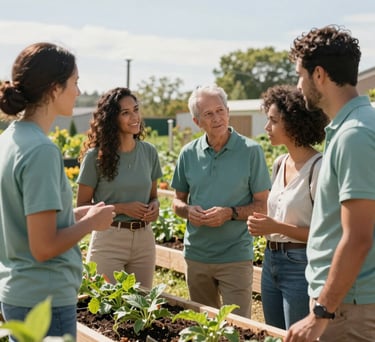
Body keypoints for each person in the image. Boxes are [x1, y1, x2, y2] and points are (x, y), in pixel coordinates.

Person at [0, 42, 114, 340]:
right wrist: (93, 223)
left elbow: (24, 221)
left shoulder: (10, 140)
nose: (78, 91)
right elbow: (44, 247)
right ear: (54, 89)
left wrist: (72, 215)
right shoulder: (41, 151)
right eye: (74, 82)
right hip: (45, 297)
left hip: (19, 292)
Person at [285, 25, 375, 342]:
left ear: (319, 74)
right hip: (346, 302)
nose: (298, 85)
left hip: (348, 308)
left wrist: (320, 313)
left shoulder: (354, 135)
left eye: (300, 75)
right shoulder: (356, 125)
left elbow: (358, 237)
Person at [171, 84, 271, 318]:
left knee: (238, 327)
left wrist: (230, 213)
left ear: (228, 111)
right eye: (208, 114)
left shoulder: (251, 151)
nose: (217, 118)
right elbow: (177, 202)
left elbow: (262, 205)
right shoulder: (188, 153)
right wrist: (188, 211)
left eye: (220, 110)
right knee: (204, 326)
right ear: (197, 122)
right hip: (197, 255)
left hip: (235, 256)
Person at [247, 84, 329, 329]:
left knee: (297, 335)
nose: (266, 128)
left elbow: (323, 233)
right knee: (274, 333)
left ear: (293, 123)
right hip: (271, 259)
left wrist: (275, 225)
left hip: (300, 264)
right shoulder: (280, 162)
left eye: (273, 121)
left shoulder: (319, 168)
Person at [76, 87, 162, 288]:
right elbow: (82, 206)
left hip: (144, 240)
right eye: (125, 113)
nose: (134, 117)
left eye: (136, 109)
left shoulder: (149, 152)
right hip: (109, 238)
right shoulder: (95, 157)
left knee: (141, 308)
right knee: (106, 310)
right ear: (111, 119)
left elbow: (154, 196)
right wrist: (122, 208)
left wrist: (155, 207)